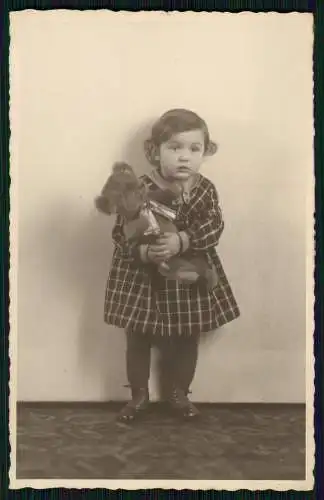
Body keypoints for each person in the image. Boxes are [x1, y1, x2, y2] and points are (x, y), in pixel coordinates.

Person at [103, 108, 240, 422]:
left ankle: (179, 393)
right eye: (174, 147)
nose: (184, 157)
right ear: (155, 151)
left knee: (186, 337)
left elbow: (214, 226)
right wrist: (144, 253)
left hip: (186, 277)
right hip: (143, 281)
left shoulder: (205, 189)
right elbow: (121, 232)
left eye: (194, 149)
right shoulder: (138, 188)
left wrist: (183, 240)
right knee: (137, 337)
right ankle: (139, 396)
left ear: (206, 152)